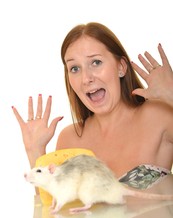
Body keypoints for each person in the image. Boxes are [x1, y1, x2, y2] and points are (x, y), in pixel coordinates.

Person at [12, 22, 173, 191]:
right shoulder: (69, 139)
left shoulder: (157, 116)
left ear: (121, 67)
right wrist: (35, 151)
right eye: (74, 68)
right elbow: (55, 210)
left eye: (96, 62)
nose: (86, 78)